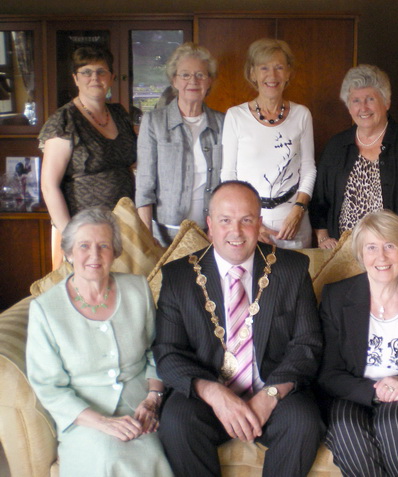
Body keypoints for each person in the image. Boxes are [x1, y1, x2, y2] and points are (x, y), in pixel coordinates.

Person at [153, 181, 324, 476]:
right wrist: (214, 393)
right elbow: (168, 353)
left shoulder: (292, 269)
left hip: (272, 391)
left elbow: (307, 345)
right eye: (225, 220)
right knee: (177, 420)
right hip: (208, 397)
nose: (236, 231)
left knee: (304, 420)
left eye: (246, 220)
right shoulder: (179, 276)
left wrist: (270, 394)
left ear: (259, 223)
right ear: (209, 224)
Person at [26, 208, 173, 477]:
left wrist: (153, 398)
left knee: (158, 451)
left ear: (115, 252)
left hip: (139, 409)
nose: (94, 255)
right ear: (69, 253)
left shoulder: (138, 289)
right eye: (84, 246)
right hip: (86, 417)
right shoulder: (46, 309)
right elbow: (48, 386)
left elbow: (158, 351)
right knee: (108, 455)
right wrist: (103, 423)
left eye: (103, 245)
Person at [319, 210, 398, 476]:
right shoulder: (336, 298)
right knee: (347, 431)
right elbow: (328, 373)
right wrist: (377, 391)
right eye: (371, 247)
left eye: (390, 246)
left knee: (395, 424)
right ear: (361, 254)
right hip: (351, 392)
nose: (381, 257)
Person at [309, 64, 398, 249]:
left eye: (370, 99)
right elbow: (320, 198)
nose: (363, 107)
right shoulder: (336, 145)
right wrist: (322, 237)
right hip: (343, 249)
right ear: (348, 106)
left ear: (386, 102)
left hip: (393, 251)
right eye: (355, 100)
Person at [39, 46, 136, 267]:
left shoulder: (120, 114)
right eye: (86, 71)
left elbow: (133, 162)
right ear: (75, 78)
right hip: (84, 231)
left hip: (124, 226)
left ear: (111, 77)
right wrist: (70, 238)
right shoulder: (65, 120)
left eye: (101, 71)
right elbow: (48, 186)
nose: (95, 77)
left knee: (123, 291)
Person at [221, 38, 316, 249]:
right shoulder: (235, 116)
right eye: (264, 68)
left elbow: (308, 167)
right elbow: (228, 175)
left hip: (294, 222)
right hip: (251, 224)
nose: (272, 76)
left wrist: (299, 210)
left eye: (279, 67)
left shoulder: (302, 114)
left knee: (296, 280)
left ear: (289, 72)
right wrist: (250, 221)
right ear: (252, 73)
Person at [136, 43, 224, 247]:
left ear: (209, 80)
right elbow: (144, 185)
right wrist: (146, 238)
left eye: (201, 75)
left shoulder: (223, 123)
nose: (193, 81)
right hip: (165, 235)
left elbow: (229, 179)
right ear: (174, 80)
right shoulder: (155, 122)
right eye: (185, 75)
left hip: (211, 233)